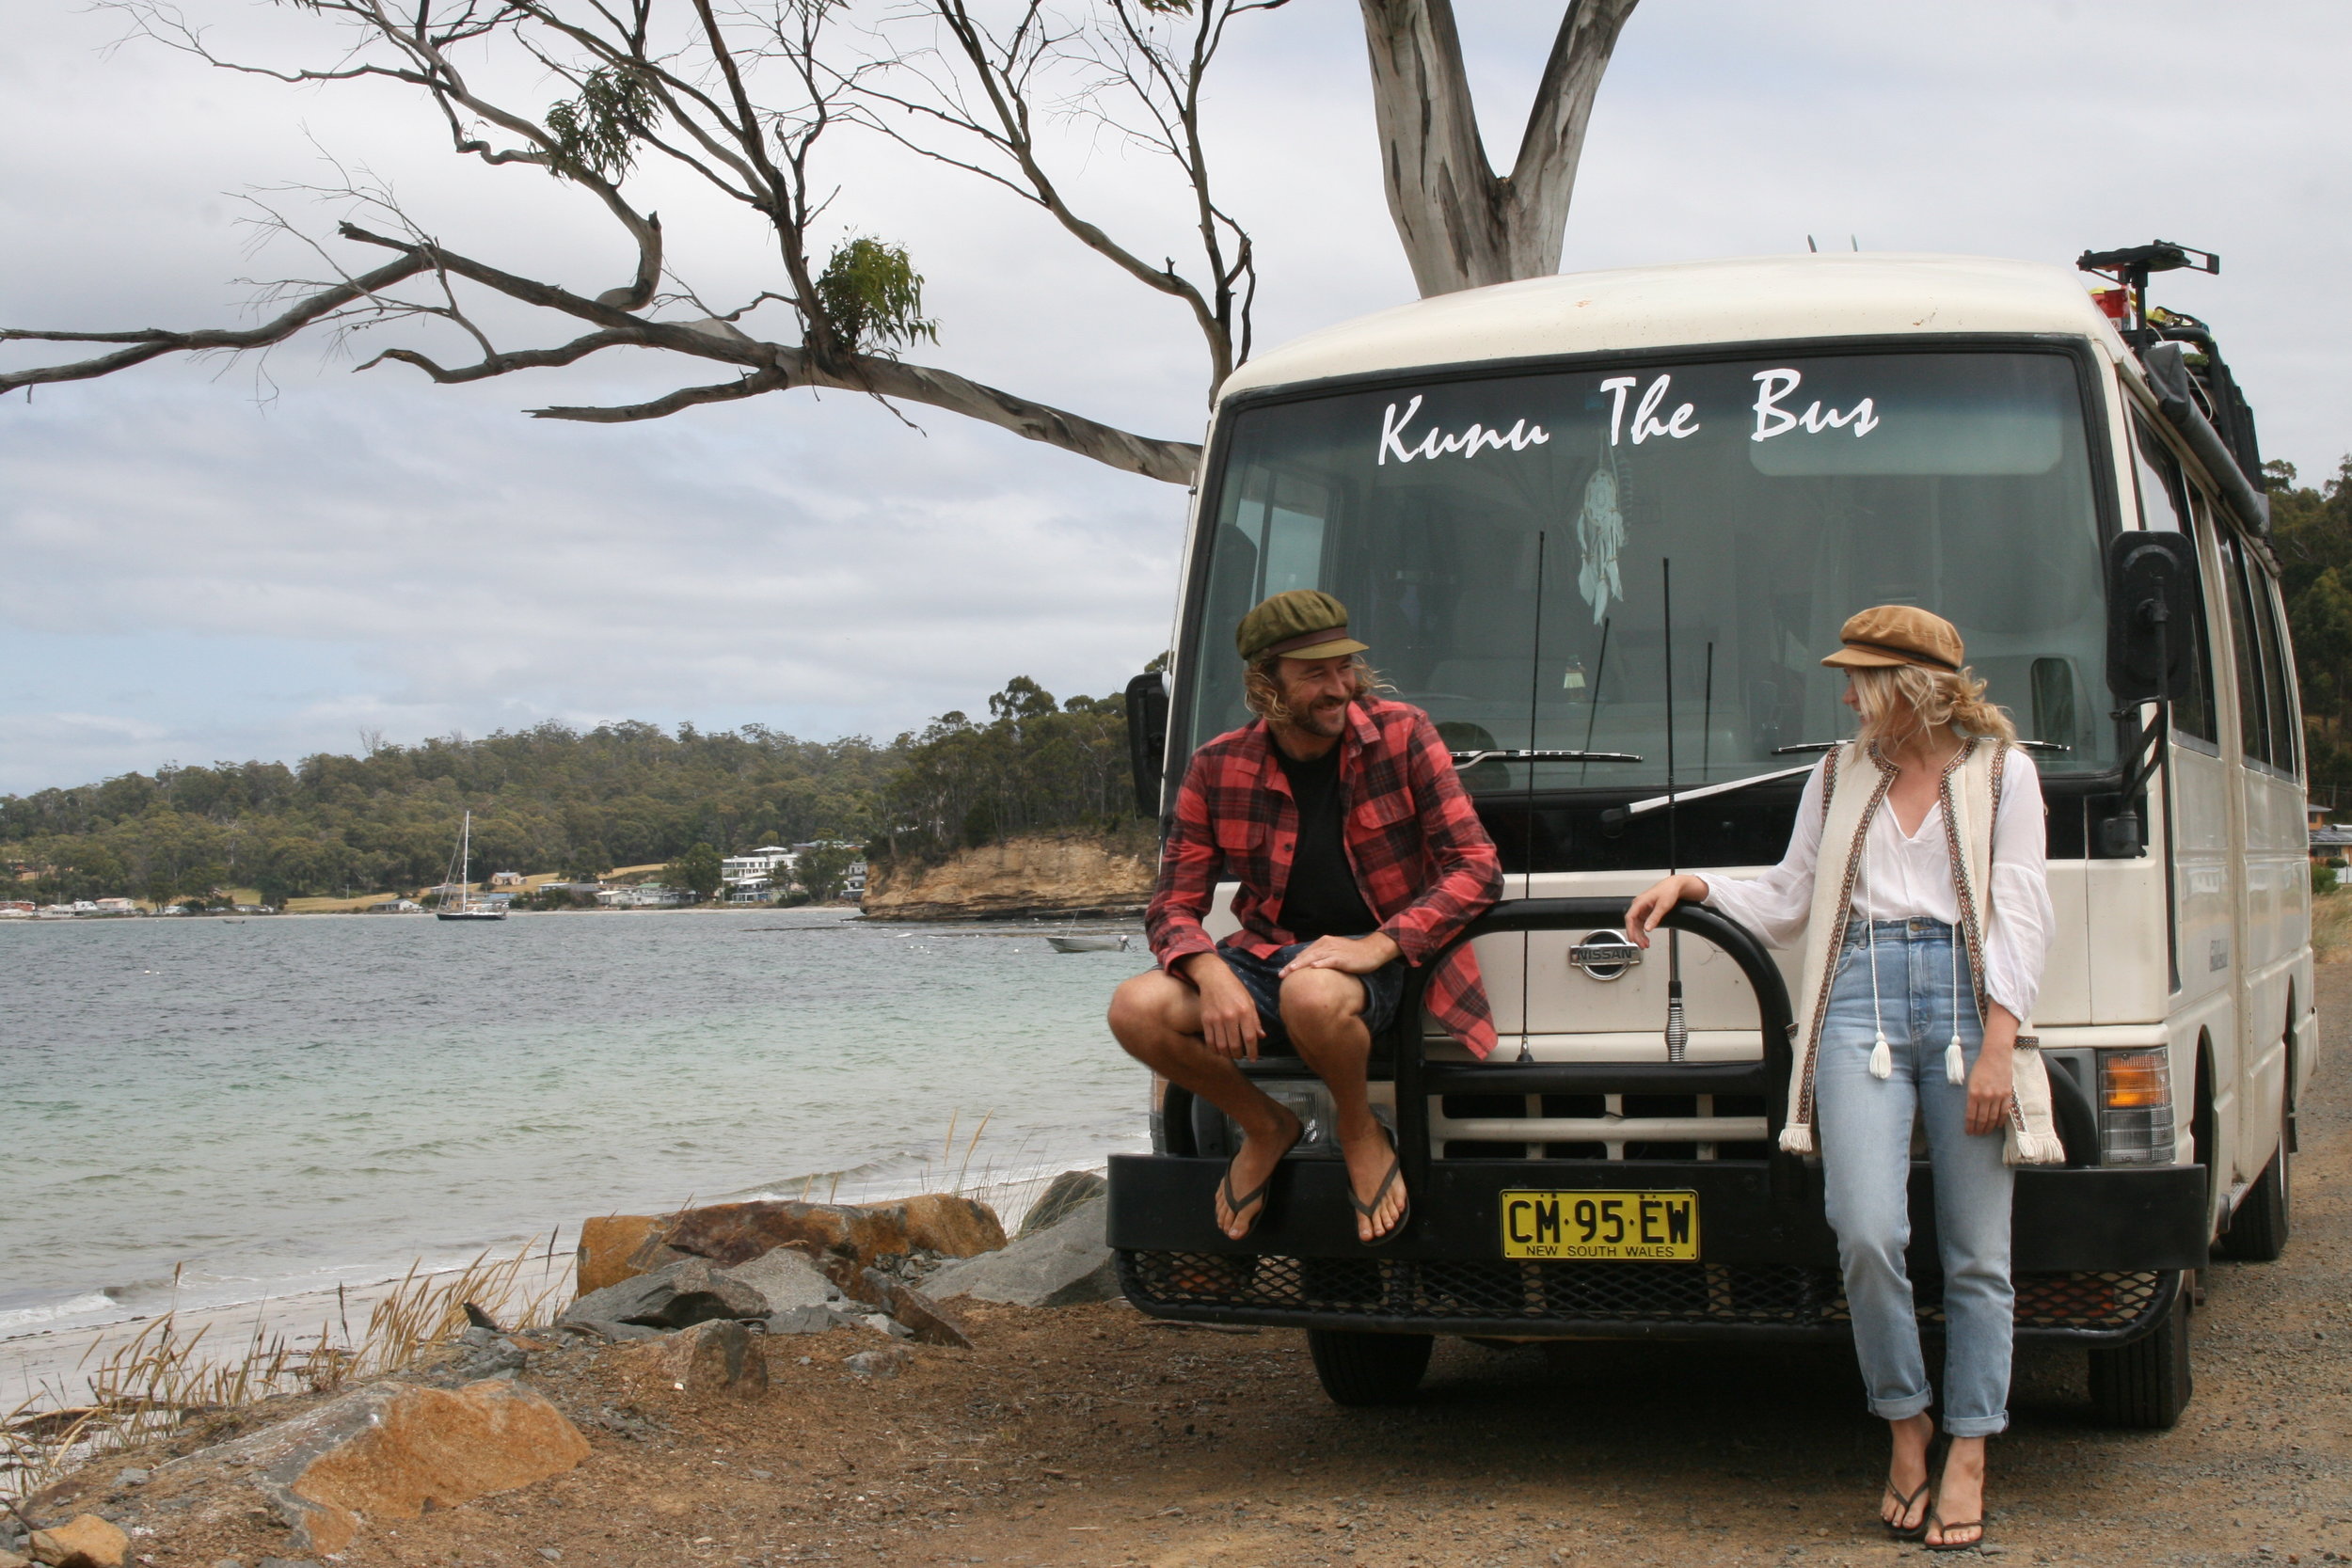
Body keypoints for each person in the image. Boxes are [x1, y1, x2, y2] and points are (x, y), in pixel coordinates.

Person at [1624, 606, 2061, 1553]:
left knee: (1977, 1250)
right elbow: (1790, 895)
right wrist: (1693, 885)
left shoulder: (2002, 772)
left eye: (1861, 677)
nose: (1845, 693)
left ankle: (1970, 1449)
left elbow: (2022, 911)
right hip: (1857, 994)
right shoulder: (1839, 769)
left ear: (1915, 686)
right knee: (1864, 1227)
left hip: (1963, 994)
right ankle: (1906, 1426)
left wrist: (1998, 1041)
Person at [1108, 589, 1502, 1244]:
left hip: (1380, 957)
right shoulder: (1215, 766)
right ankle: (1266, 1125)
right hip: (1267, 956)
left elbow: (1476, 866)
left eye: (1344, 666)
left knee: (1312, 993)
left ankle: (1357, 1127)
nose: (1339, 686)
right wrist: (1209, 971)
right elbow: (1172, 904)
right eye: (1315, 672)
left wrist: (1380, 943)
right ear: (1267, 683)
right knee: (1133, 1009)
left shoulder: (1403, 733)